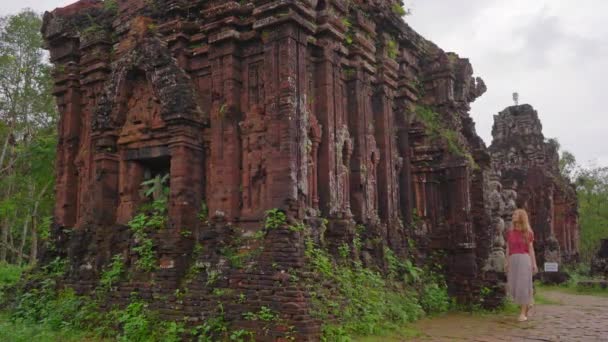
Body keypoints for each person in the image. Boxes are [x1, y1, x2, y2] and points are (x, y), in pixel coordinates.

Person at [505, 208, 538, 322]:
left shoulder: (528, 233)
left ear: (521, 217)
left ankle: (523, 313)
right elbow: (508, 248)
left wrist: (534, 264)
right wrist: (507, 261)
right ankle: (528, 303)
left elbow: (531, 249)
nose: (513, 215)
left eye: (515, 214)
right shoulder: (510, 233)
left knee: (523, 286)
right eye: (513, 214)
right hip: (513, 259)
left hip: (524, 259)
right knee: (514, 287)